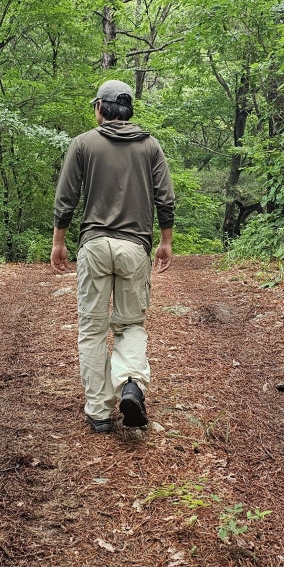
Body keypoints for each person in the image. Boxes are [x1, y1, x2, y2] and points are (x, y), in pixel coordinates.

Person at [51, 80, 175, 434]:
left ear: (101, 108)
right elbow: (165, 198)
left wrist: (59, 241)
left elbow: (66, 197)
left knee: (92, 328)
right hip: (134, 247)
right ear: (128, 110)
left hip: (93, 245)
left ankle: (100, 413)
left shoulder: (83, 144)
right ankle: (132, 384)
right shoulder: (151, 146)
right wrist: (166, 240)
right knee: (130, 324)